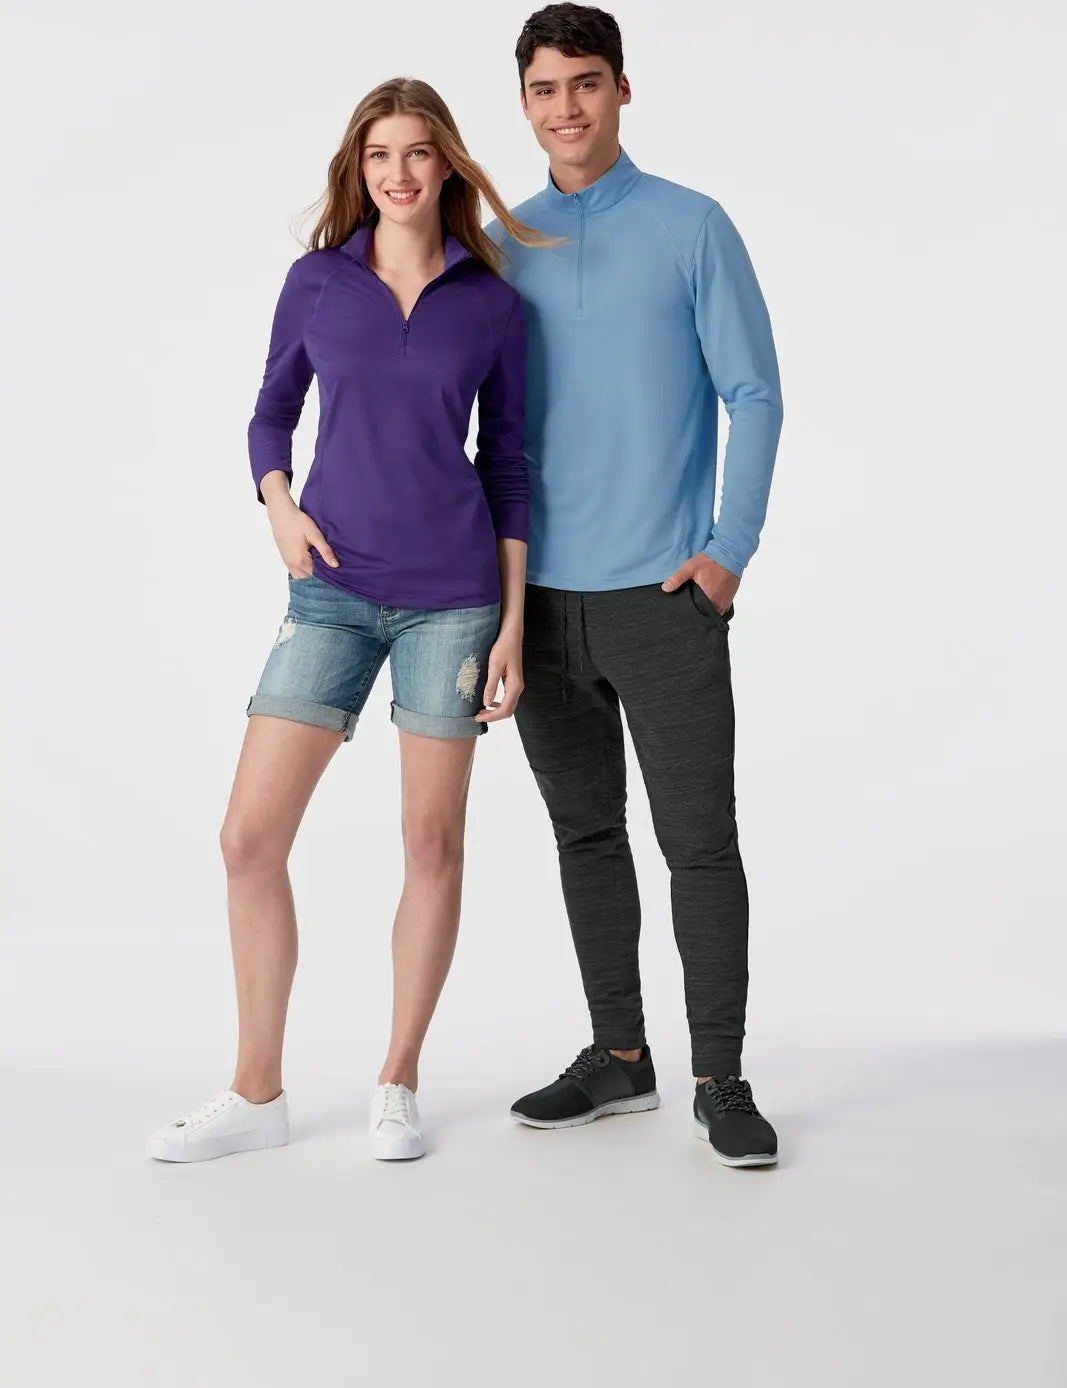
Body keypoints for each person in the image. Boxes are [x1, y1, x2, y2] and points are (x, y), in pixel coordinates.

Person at [147, 77, 545, 1164]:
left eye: (416, 152)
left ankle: (397, 1080)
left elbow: (508, 464)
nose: (398, 172)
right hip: (329, 587)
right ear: (357, 170)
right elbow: (270, 411)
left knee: (431, 840)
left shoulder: (490, 301)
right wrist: (277, 503)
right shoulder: (318, 282)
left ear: (446, 162)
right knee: (247, 838)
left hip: (453, 599)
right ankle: (257, 1091)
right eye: (378, 155)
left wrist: (511, 623)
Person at [488, 5, 784, 1167]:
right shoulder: (499, 240)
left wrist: (726, 552)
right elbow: (479, 424)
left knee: (697, 843)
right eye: (544, 87)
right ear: (523, 103)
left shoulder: (689, 225)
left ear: (621, 88)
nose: (565, 107)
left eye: (585, 82)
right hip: (534, 601)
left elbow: (753, 394)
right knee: (583, 833)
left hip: (661, 599)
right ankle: (619, 1055)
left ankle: (721, 1076)